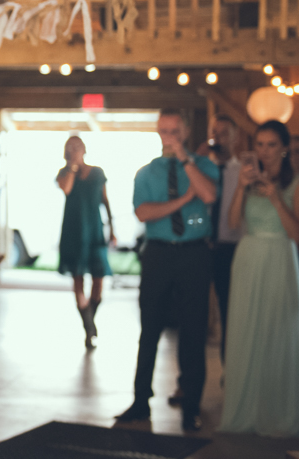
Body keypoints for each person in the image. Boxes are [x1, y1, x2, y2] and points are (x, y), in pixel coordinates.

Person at [116, 109, 218, 432]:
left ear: (185, 132)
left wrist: (186, 160)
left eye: (174, 131)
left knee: (193, 331)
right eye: (163, 131)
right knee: (150, 329)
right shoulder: (146, 172)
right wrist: (183, 200)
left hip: (194, 254)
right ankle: (139, 402)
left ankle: (191, 407)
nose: (168, 137)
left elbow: (209, 195)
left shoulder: (204, 166)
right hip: (158, 254)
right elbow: (144, 213)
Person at [219, 120, 299, 436]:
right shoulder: (247, 180)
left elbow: (296, 234)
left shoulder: (295, 183)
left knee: (279, 333)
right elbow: (233, 222)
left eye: (270, 145)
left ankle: (278, 413)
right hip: (248, 258)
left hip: (280, 256)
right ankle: (243, 412)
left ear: (284, 148)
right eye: (260, 145)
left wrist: (277, 199)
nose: (264, 151)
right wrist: (240, 186)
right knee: (245, 331)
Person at [56, 135, 114, 349]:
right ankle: (89, 328)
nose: (75, 150)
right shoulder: (63, 174)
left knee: (98, 280)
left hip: (95, 229)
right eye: (70, 147)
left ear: (84, 149)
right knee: (78, 279)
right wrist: (72, 167)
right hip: (73, 231)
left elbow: (105, 201)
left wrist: (112, 228)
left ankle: (90, 319)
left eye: (77, 147)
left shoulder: (98, 172)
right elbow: (67, 189)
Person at [205, 115, 242, 361]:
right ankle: (188, 382)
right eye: (215, 133)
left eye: (224, 134)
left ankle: (229, 371)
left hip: (231, 248)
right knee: (195, 313)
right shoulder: (201, 169)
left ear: (235, 137)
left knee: (230, 311)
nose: (219, 139)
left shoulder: (243, 172)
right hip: (201, 246)